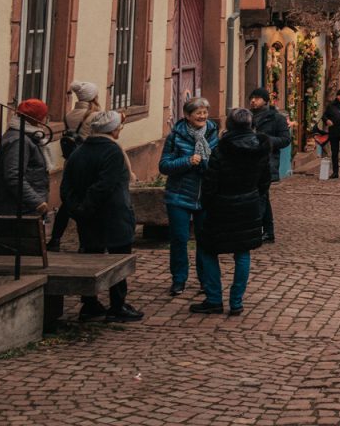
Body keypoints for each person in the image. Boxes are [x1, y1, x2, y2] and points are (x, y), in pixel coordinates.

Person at [59, 110, 142, 322]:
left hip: (88, 217)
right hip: (112, 214)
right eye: (119, 127)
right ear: (113, 129)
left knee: (90, 255)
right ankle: (117, 305)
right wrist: (86, 206)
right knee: (119, 260)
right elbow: (104, 185)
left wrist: (75, 209)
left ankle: (90, 303)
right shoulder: (113, 152)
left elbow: (66, 185)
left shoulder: (79, 151)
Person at [191, 108, 270, 316]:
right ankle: (236, 302)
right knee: (242, 252)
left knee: (208, 250)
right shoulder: (260, 148)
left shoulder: (222, 149)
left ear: (231, 126)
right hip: (249, 204)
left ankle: (214, 298)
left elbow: (210, 182)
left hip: (222, 205)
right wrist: (255, 198)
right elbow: (265, 181)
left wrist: (207, 203)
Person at [158, 97, 218, 295]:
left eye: (205, 112)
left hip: (205, 196)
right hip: (179, 195)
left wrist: (205, 163)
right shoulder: (175, 136)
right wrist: (187, 161)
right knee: (179, 239)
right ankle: (179, 279)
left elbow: (218, 164)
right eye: (198, 113)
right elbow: (164, 166)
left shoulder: (212, 133)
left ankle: (205, 279)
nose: (203, 116)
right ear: (187, 115)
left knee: (205, 240)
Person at [47, 80, 103, 251]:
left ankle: (55, 239)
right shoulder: (96, 116)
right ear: (93, 97)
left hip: (71, 163)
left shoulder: (69, 115)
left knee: (68, 202)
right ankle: (85, 243)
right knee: (88, 203)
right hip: (91, 164)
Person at [0, 97, 53, 217]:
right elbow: (14, 175)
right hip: (20, 207)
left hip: (25, 205)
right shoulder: (19, 140)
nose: (46, 120)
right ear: (38, 119)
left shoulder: (27, 135)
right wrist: (37, 202)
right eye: (45, 116)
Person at [249, 88, 291, 243]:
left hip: (267, 163)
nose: (253, 101)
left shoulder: (276, 118)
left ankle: (256, 231)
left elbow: (285, 139)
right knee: (263, 197)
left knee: (260, 197)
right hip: (251, 161)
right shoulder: (247, 116)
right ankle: (268, 232)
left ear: (265, 101)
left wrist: (265, 140)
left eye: (257, 98)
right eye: (252, 98)